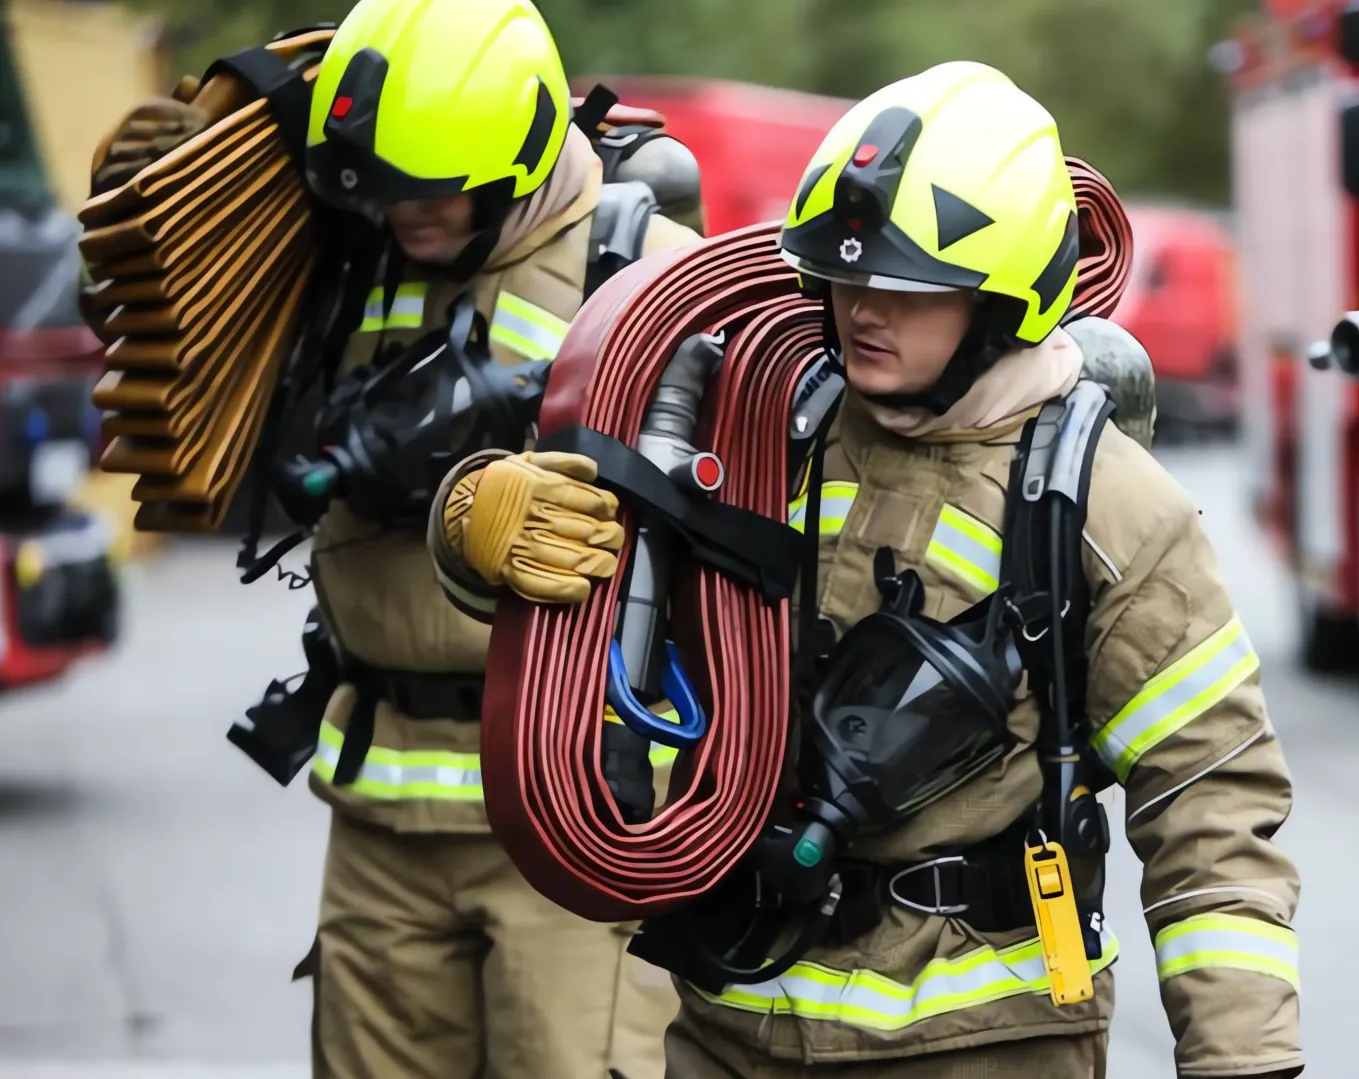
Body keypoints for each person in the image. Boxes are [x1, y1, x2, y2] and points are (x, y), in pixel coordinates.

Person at [429, 61, 1305, 1078]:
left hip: (980, 1044)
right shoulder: (763, 431)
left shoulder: (1109, 505)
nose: (861, 309)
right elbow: (566, 621)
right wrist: (475, 526)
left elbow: (1209, 797)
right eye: (844, 277)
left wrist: (1243, 1058)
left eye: (903, 285)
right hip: (732, 1018)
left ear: (1002, 296)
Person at [86, 0, 704, 1074]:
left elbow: (740, 526)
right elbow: (168, 347)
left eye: (433, 187)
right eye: (379, 184)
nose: (407, 212)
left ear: (518, 150)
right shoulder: (353, 251)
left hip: (568, 800)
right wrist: (157, 216)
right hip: (379, 797)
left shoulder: (649, 270)